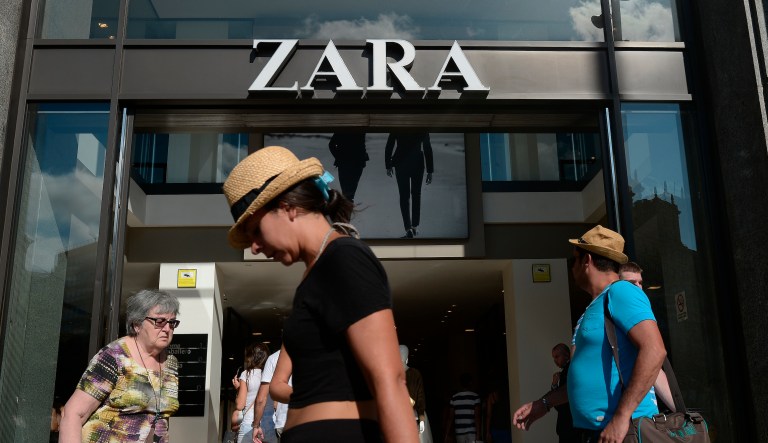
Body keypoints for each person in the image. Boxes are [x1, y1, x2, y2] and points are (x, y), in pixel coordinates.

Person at [221, 146, 418, 443]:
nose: (255, 247)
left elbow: (390, 378)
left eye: (255, 231)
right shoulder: (317, 270)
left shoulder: (345, 258)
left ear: (287, 205)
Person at [512, 225, 666, 443]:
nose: (572, 266)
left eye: (574, 259)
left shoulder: (621, 291)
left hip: (625, 431)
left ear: (587, 261)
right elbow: (581, 381)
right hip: (596, 432)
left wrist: (621, 418)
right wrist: (544, 404)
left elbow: (654, 350)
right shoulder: (593, 308)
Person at [59, 289, 180, 442]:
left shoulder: (170, 363)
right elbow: (73, 414)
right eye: (160, 321)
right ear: (137, 325)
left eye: (172, 323)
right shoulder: (114, 356)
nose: (167, 329)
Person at [384, 132, 434, 238]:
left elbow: (390, 144)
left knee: (404, 196)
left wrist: (388, 165)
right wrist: (430, 171)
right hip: (417, 162)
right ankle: (414, 226)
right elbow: (427, 147)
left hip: (401, 162)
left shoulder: (398, 124)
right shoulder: (421, 125)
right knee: (416, 195)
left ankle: (408, 229)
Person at [232, 342, 270, 443]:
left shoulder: (246, 375)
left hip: (249, 425)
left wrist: (238, 389)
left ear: (250, 357)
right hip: (269, 426)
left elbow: (240, 405)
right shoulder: (271, 375)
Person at [251, 349, 291, 443]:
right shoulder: (317, 352)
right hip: (313, 419)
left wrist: (256, 426)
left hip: (285, 421)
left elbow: (261, 399)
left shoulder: (274, 358)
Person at [328, 133, 368, 202]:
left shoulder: (342, 129)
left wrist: (339, 157)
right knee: (350, 191)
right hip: (355, 161)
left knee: (347, 191)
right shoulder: (358, 128)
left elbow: (331, 145)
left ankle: (347, 206)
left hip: (347, 161)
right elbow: (361, 143)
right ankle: (348, 205)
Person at [550, 343, 578, 443]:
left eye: (557, 357)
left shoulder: (568, 372)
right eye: (554, 358)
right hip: (570, 427)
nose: (555, 361)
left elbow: (559, 403)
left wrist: (554, 385)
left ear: (566, 355)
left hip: (569, 428)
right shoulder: (568, 370)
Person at [445, 373, 481, 443]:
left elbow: (450, 418)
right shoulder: (475, 397)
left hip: (459, 432)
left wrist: (447, 434)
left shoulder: (454, 398)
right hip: (472, 432)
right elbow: (477, 417)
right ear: (470, 383)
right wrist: (478, 434)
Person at [399, 345, 426, 434]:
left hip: (396, 419)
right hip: (412, 418)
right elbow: (420, 399)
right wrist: (422, 419)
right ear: (407, 358)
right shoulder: (415, 374)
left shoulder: (390, 375)